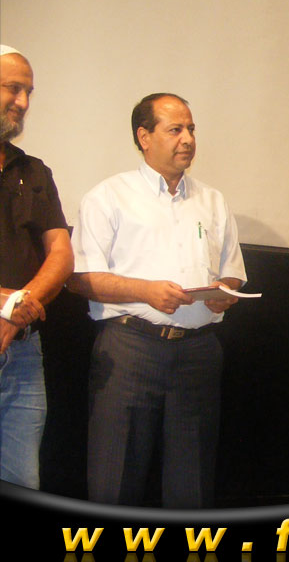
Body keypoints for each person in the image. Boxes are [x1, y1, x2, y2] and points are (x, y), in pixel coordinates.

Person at [67, 93, 246, 507]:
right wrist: (144, 291)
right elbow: (80, 278)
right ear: (144, 137)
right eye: (175, 129)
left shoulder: (212, 200)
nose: (188, 139)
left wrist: (223, 292)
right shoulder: (108, 196)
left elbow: (233, 269)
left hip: (198, 352)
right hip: (131, 349)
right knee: (116, 477)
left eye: (191, 129)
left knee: (192, 483)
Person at [0, 45, 74, 488]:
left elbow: (61, 254)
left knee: (22, 481)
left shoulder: (35, 171)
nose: (23, 102)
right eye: (13, 88)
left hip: (24, 354)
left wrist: (18, 306)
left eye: (28, 92)